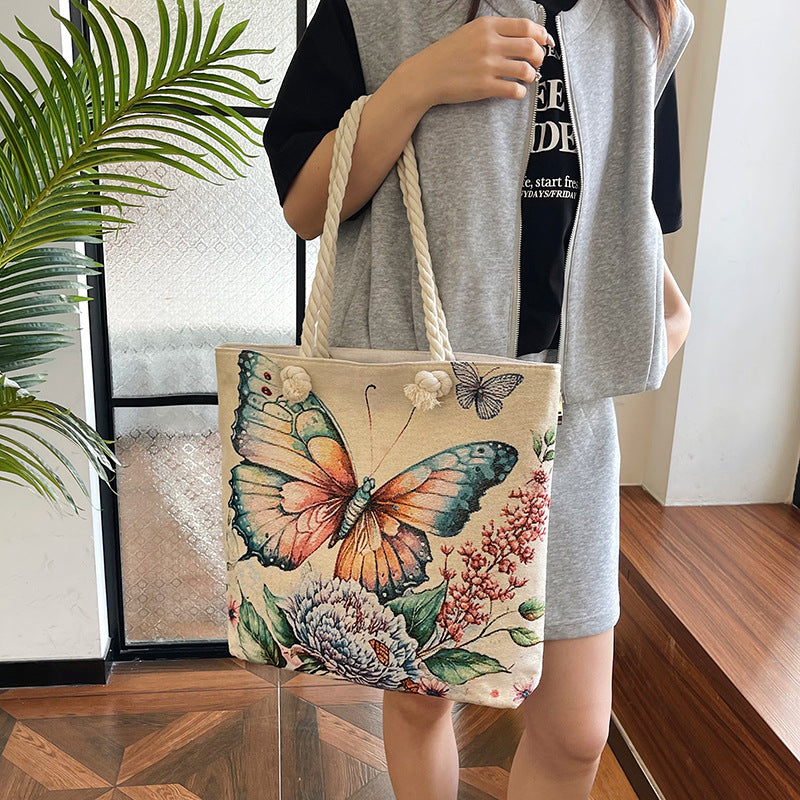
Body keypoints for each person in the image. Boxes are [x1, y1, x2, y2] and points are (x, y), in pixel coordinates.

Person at [263, 0, 694, 798]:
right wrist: (416, 84)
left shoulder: (642, 18)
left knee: (577, 732)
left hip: (568, 414)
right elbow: (304, 206)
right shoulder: (380, 8)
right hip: (425, 407)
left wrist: (668, 313)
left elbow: (631, 206)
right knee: (422, 695)